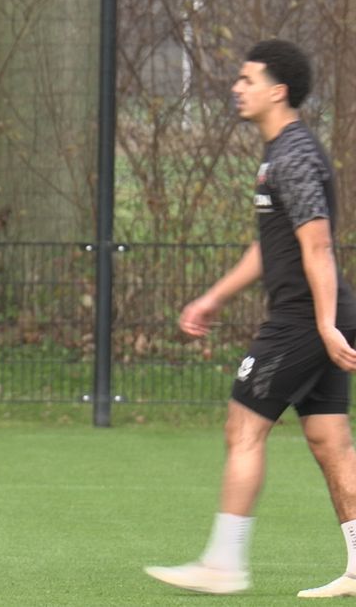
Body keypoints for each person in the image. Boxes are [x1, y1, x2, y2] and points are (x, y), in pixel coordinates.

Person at [145, 39, 356, 598]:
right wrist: (213, 296)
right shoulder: (277, 154)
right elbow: (272, 248)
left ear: (277, 91)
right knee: (329, 441)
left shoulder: (293, 154)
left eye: (247, 78)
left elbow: (318, 246)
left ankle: (223, 564)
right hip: (316, 317)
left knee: (243, 427)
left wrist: (325, 324)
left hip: (304, 320)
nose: (236, 88)